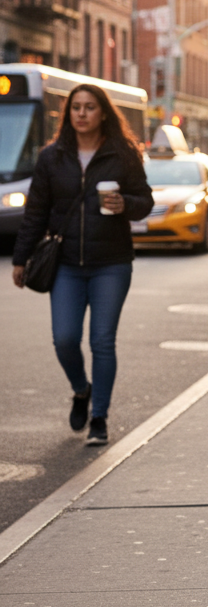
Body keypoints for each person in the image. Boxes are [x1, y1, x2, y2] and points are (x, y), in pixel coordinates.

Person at [11, 84, 153, 446]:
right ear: (68, 113)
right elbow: (36, 212)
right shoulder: (52, 157)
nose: (82, 114)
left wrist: (126, 204)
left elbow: (145, 201)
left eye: (90, 107)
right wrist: (20, 258)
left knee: (103, 341)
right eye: (76, 108)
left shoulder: (122, 154)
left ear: (103, 112)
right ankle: (81, 389)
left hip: (112, 263)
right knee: (65, 339)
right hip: (66, 264)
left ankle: (100, 418)